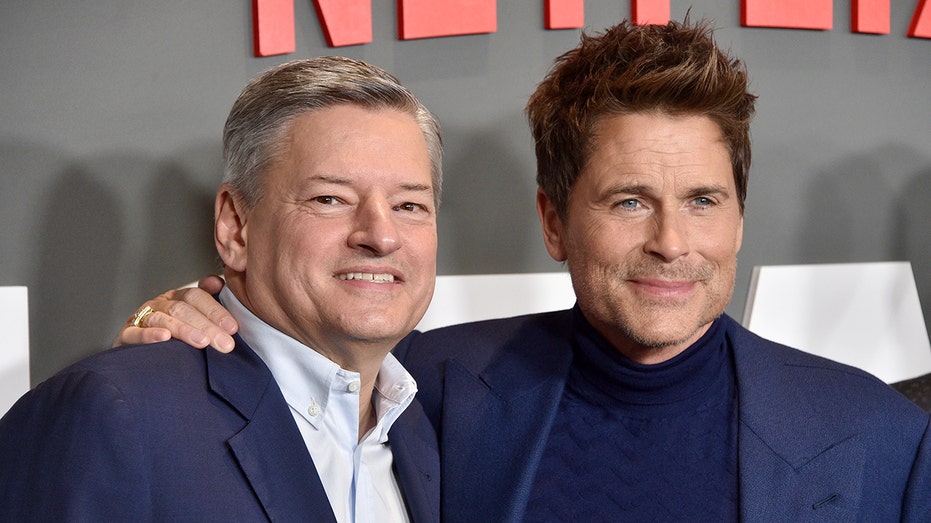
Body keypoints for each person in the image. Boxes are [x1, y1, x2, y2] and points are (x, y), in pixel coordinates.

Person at [116, 20, 931, 521]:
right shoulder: (426, 387)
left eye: (704, 200)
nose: (672, 241)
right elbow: (266, 389)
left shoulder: (877, 434)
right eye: (628, 202)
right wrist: (191, 317)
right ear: (552, 222)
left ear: (740, 217)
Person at [0, 57, 442, 523]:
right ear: (235, 227)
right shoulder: (114, 413)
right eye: (329, 198)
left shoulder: (442, 415)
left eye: (409, 204)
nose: (382, 235)